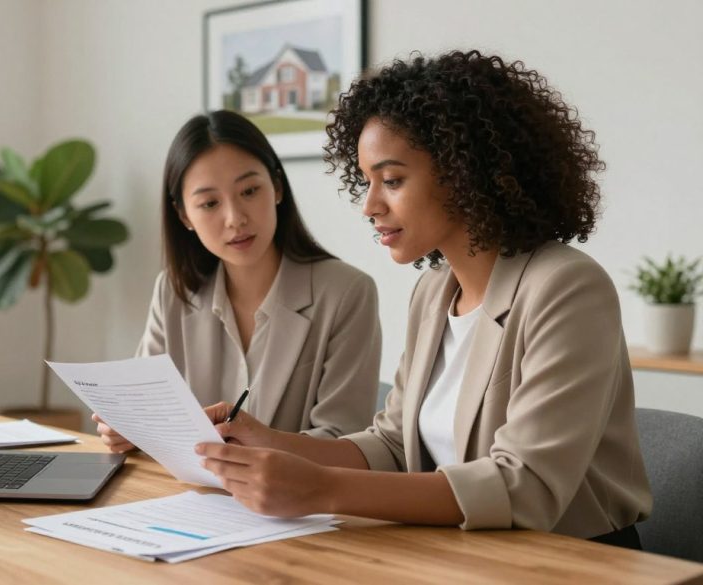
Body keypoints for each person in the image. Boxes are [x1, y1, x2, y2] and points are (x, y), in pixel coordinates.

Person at [196, 51, 651, 548]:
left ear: (464, 172)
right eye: (367, 181)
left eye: (391, 181)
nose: (370, 206)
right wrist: (272, 442)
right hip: (466, 554)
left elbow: (525, 488)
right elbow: (393, 444)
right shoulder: (434, 292)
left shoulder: (567, 287)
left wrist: (321, 489)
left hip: (575, 561)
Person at [94, 110, 382, 452]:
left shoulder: (346, 293)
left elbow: (344, 442)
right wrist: (127, 428)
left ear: (276, 188)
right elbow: (145, 409)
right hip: (190, 496)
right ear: (185, 215)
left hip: (293, 502)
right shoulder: (173, 291)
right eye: (210, 203)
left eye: (249, 191)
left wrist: (253, 448)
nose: (235, 218)